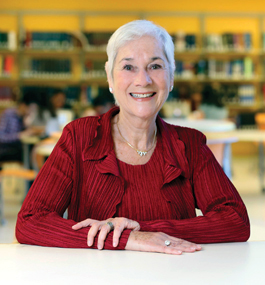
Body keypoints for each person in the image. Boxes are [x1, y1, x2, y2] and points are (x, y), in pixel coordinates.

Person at [16, 20, 250, 255]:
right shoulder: (79, 137)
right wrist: (127, 238)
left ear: (171, 78)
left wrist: (145, 231)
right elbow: (30, 221)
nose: (143, 80)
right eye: (128, 67)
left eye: (155, 66)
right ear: (110, 77)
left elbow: (236, 221)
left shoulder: (189, 145)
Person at [0, 96, 35, 164]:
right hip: (5, 149)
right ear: (23, 106)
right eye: (30, 109)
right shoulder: (8, 114)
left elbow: (25, 133)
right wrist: (19, 136)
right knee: (31, 155)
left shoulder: (22, 117)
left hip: (17, 148)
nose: (31, 112)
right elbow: (1, 137)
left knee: (33, 152)